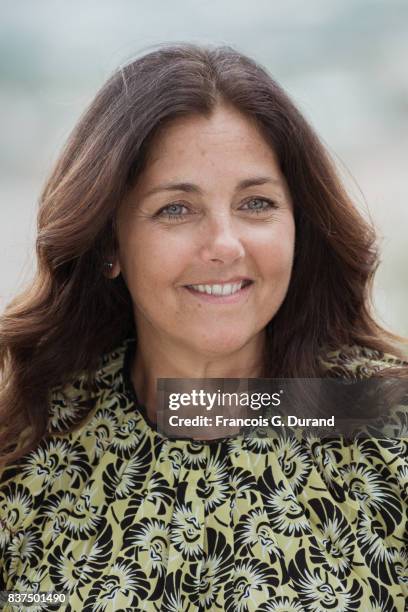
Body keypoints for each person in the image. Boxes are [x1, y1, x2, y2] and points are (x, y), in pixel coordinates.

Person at [0, 42, 407, 612]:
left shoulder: (385, 427)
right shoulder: (24, 446)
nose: (224, 244)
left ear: (299, 225)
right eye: (176, 209)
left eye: (257, 203)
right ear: (110, 242)